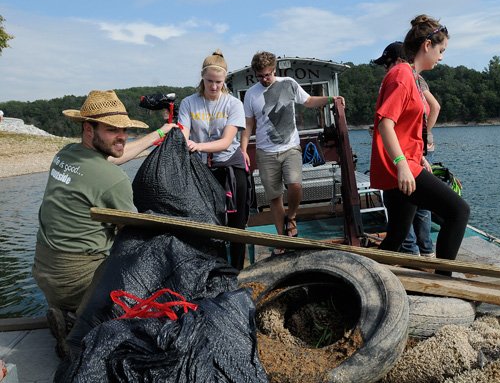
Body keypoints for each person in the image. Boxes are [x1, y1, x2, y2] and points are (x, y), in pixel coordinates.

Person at [32, 89, 176, 358]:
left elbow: (113, 157)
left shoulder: (66, 155)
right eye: (112, 130)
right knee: (148, 268)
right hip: (75, 278)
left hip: (45, 271)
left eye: (124, 130)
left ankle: (67, 311)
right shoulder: (114, 179)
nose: (121, 136)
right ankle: (81, 323)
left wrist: (158, 134)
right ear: (89, 129)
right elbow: (134, 235)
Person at [369, 15, 470, 275]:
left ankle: (363, 274)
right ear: (427, 45)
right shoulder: (402, 75)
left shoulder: (410, 76)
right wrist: (402, 164)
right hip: (400, 170)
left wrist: (418, 157)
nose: (442, 57)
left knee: (396, 237)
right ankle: (443, 280)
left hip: (409, 164)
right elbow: (385, 124)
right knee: (458, 211)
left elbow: (405, 127)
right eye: (441, 50)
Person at [240, 51, 344, 250]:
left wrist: (331, 99)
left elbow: (309, 101)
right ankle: (283, 239)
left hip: (290, 148)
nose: (264, 79)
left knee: (295, 184)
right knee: (274, 197)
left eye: (267, 75)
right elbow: (248, 124)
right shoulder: (251, 94)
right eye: (260, 76)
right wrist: (244, 149)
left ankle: (293, 215)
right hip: (265, 152)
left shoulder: (288, 83)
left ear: (274, 70)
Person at [178, 49, 250, 271]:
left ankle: (236, 269)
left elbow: (227, 141)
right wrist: (184, 141)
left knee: (237, 224)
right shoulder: (189, 103)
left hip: (229, 165)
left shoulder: (233, 104)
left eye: (219, 82)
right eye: (209, 81)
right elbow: (183, 134)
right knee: (208, 222)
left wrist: (197, 145)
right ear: (202, 78)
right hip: (201, 170)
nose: (214, 86)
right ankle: (212, 269)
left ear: (225, 80)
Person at [373, 41, 441, 257]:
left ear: (400, 60)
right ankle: (426, 251)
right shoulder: (415, 79)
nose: (386, 68)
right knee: (416, 211)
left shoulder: (403, 77)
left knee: (407, 211)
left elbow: (386, 123)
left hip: (404, 155)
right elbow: (434, 107)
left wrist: (419, 140)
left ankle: (412, 253)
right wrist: (424, 137)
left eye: (388, 63)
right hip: (412, 153)